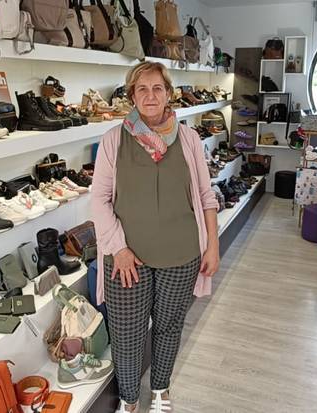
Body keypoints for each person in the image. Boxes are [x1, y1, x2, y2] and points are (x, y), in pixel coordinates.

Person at [90, 61, 220, 413]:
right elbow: (99, 200)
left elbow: (206, 197)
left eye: (157, 88)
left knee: (168, 327)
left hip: (181, 253)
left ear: (168, 94)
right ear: (132, 95)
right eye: (142, 89)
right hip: (126, 258)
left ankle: (160, 389)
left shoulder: (189, 139)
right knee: (126, 333)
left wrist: (212, 245)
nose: (150, 96)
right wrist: (118, 248)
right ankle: (130, 399)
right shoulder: (114, 139)